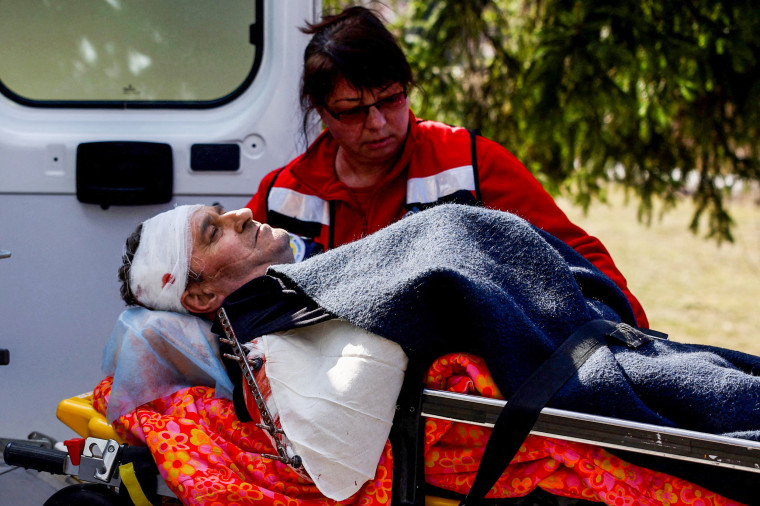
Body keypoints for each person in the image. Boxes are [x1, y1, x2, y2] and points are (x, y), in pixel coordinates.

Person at [117, 203, 760, 503]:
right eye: (214, 231)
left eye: (221, 212)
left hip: (573, 326)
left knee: (705, 381)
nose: (238, 215)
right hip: (572, 361)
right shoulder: (276, 334)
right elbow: (338, 465)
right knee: (712, 403)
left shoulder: (297, 285)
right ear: (199, 295)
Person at [244, 5, 648, 327]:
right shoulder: (282, 193)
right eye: (353, 111)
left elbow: (578, 256)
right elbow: (233, 291)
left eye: (391, 99)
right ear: (322, 111)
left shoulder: (470, 162)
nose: (378, 123)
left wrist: (632, 337)